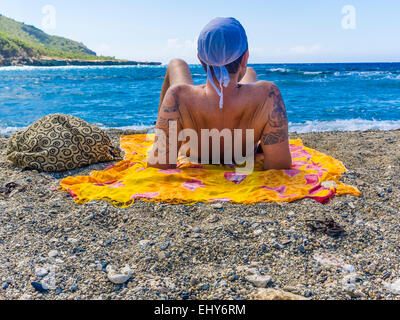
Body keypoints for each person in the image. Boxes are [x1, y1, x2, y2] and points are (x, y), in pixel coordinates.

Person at [148, 17, 292, 171]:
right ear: (245, 58)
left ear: (200, 58)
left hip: (195, 150)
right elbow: (280, 167)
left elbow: (159, 165)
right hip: (242, 153)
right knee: (250, 73)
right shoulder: (269, 94)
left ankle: (162, 130)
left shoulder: (178, 97)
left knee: (176, 63)